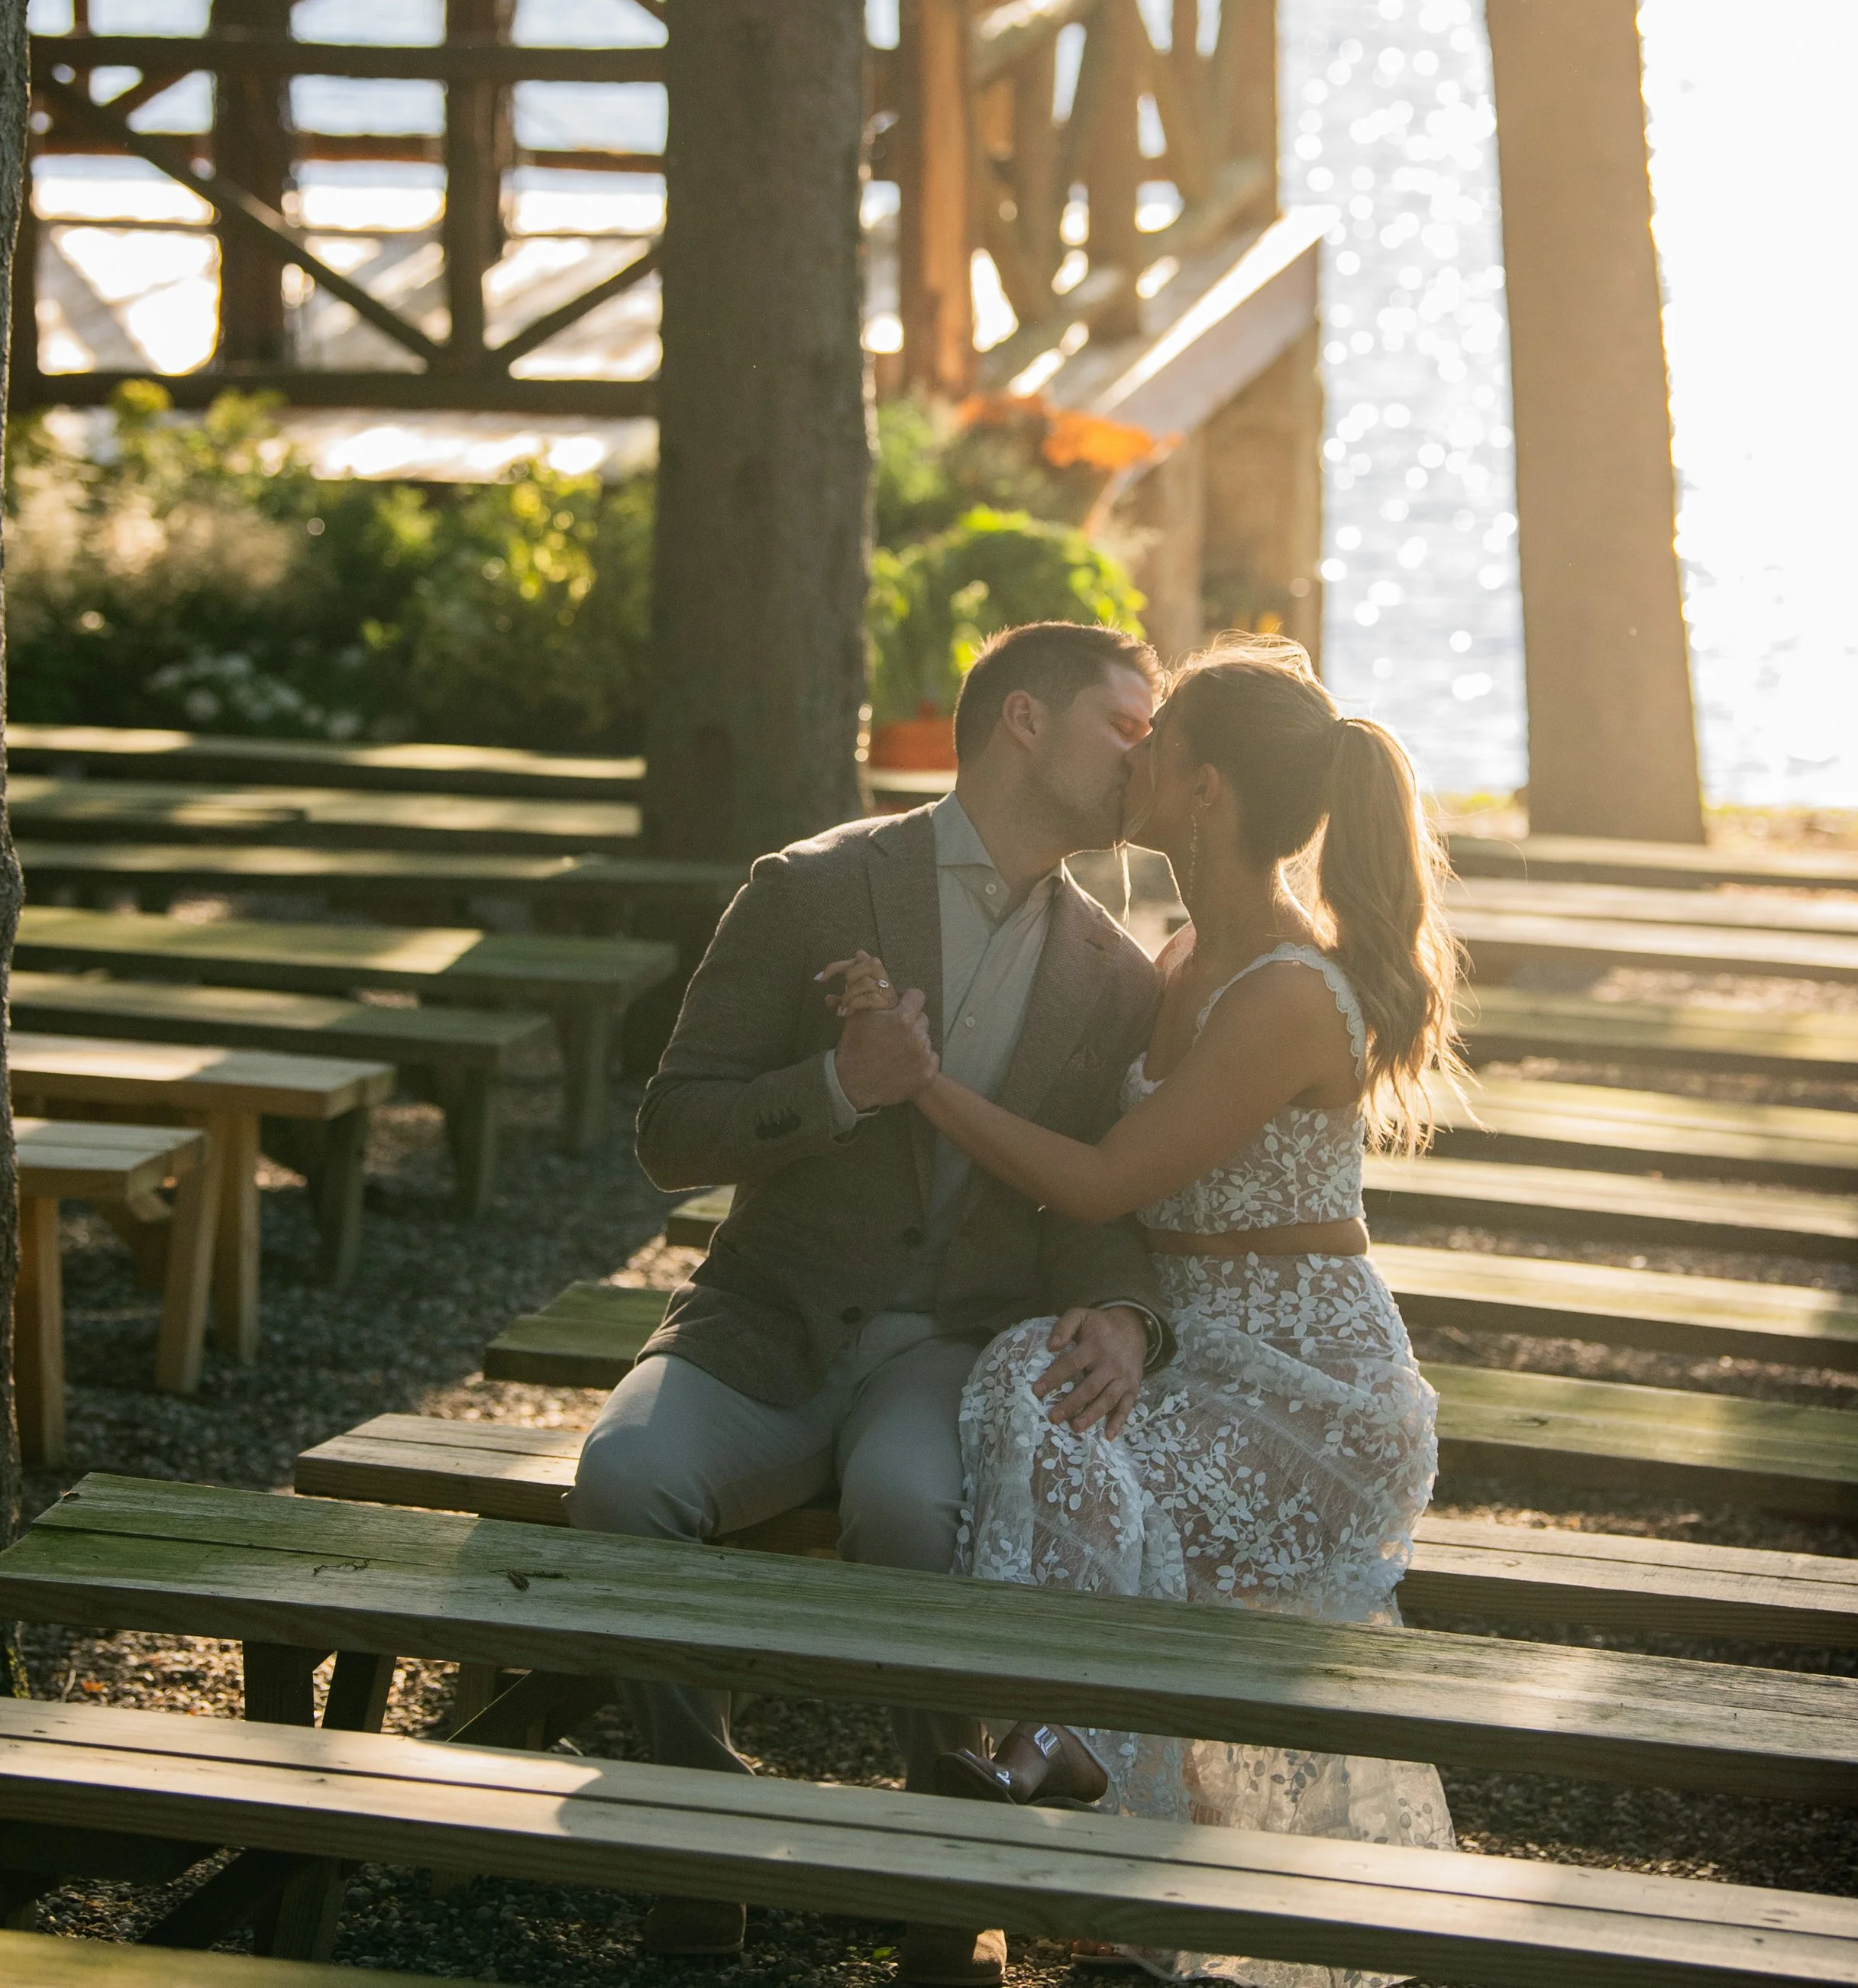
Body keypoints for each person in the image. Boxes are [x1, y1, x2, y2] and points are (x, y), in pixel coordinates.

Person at [835, 635, 1461, 1988]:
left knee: (1057, 1420)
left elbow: (1109, 1173)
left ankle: (1068, 1750)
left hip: (1306, 1385)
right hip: (1196, 1346)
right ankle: (1113, 1834)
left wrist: (921, 1078)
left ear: (1207, 794)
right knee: (1035, 1384)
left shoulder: (1292, 992)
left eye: (1157, 743)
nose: (1134, 757)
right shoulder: (1179, 954)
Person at [568, 618, 1175, 1986]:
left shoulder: (1118, 972)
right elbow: (672, 1130)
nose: (1149, 754)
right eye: (1127, 723)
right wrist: (842, 1085)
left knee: (916, 1511)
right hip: (765, 1325)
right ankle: (699, 1845)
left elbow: (1100, 1193)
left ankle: (941, 1898)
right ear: (1024, 718)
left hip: (949, 1355)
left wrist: (1127, 1310)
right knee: (621, 1481)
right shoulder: (809, 886)